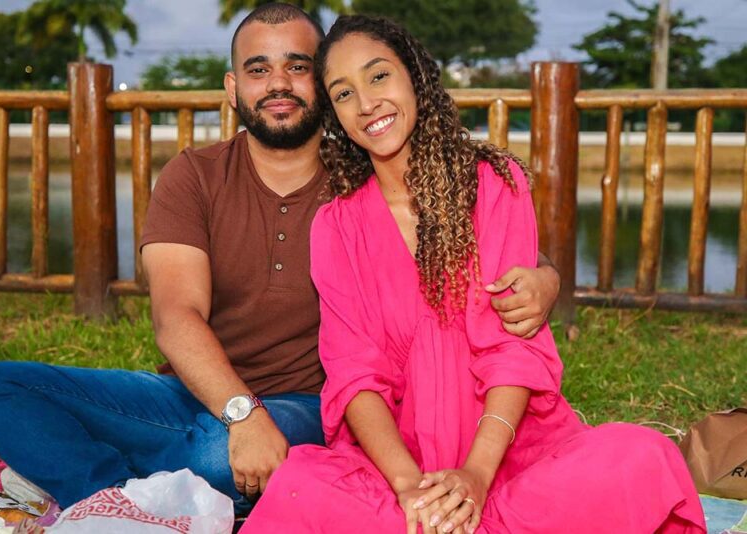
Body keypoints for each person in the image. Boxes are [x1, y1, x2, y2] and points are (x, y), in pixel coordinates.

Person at [0, 4, 559, 516]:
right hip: (195, 394)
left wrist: (548, 280)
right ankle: (127, 499)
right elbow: (175, 316)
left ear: (322, 86)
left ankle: (130, 489)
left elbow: (482, 254)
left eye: (298, 67)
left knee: (212, 458)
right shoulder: (194, 176)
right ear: (232, 88)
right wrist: (241, 415)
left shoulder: (357, 185)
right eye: (258, 69)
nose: (279, 83)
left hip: (304, 405)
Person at [241, 14, 705, 534]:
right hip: (397, 465)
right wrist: (410, 488)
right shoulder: (336, 226)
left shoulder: (494, 184)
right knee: (301, 484)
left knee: (642, 456)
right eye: (344, 93)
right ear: (335, 115)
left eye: (378, 76)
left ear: (415, 76)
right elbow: (355, 376)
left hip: (509, 455)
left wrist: (476, 477)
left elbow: (513, 351)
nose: (366, 103)